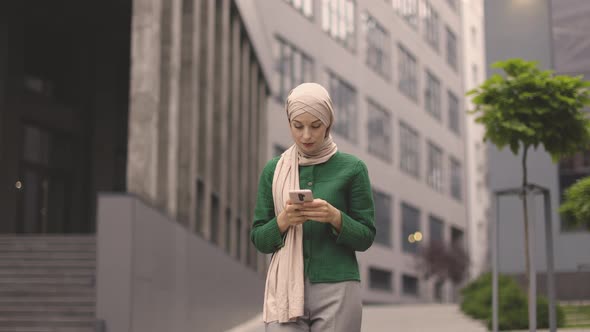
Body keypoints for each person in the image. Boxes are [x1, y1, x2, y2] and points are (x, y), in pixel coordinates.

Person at [250, 82, 376, 332]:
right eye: (298, 126)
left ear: (328, 124)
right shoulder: (274, 171)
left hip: (338, 288)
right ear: (289, 124)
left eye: (315, 126)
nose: (306, 135)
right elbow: (260, 239)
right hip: (285, 289)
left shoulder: (353, 168)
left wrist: (335, 217)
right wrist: (284, 220)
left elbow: (366, 237)